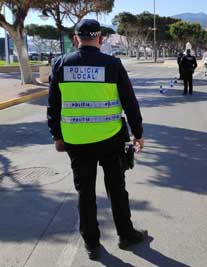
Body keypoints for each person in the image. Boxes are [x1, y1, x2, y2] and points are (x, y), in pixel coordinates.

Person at [47, 19, 147, 260]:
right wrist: (138, 133)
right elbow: (129, 102)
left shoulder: (60, 64)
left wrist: (57, 136)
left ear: (75, 38)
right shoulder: (112, 64)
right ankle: (126, 235)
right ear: (100, 39)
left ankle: (92, 245)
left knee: (86, 193)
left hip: (76, 142)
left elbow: (53, 107)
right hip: (110, 139)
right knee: (116, 188)